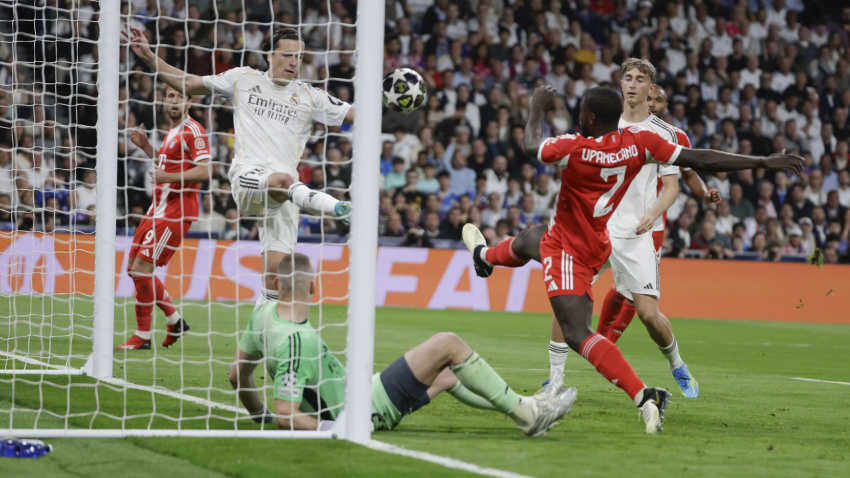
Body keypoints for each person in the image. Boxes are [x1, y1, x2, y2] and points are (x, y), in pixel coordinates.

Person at [465, 85, 802, 433]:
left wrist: (536, 107)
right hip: (598, 241)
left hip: (570, 250)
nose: (578, 117)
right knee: (531, 238)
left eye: (582, 112)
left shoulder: (574, 149)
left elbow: (531, 145)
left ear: (590, 118)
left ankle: (643, 396)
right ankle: (485, 256)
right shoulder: (639, 144)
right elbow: (699, 158)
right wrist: (762, 161)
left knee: (577, 333)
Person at [123, 26, 353, 314]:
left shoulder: (310, 97)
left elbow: (357, 115)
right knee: (285, 179)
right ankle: (340, 209)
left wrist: (393, 99)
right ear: (269, 55)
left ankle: (252, 344)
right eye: (287, 55)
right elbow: (190, 83)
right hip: (248, 179)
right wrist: (148, 56)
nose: (294, 62)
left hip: (285, 198)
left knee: (275, 279)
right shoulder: (243, 78)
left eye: (299, 56)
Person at [229, 253, 577, 435]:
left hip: (362, 390)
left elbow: (237, 375)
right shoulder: (296, 341)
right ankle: (528, 414)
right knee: (448, 344)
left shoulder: (263, 315)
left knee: (449, 374)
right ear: (313, 287)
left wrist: (258, 413)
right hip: (364, 407)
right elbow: (287, 415)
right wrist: (336, 427)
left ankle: (527, 406)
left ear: (278, 283)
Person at [117, 85, 212, 350]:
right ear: (163, 100)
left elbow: (205, 171)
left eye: (180, 96)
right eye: (170, 96)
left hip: (175, 210)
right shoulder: (171, 132)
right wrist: (147, 147)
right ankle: (174, 320)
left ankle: (142, 336)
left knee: (142, 271)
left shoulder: (194, 130)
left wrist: (167, 178)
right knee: (134, 269)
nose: (174, 101)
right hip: (156, 207)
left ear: (189, 101)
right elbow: (166, 165)